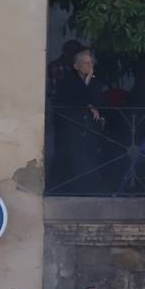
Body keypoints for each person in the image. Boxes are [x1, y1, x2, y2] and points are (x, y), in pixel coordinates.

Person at [52, 48, 108, 194]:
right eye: (86, 63)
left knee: (90, 158)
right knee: (76, 160)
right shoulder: (69, 81)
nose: (90, 66)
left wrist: (93, 106)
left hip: (90, 129)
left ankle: (91, 190)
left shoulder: (95, 81)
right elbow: (74, 99)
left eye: (91, 63)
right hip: (72, 129)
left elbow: (98, 101)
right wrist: (88, 104)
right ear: (76, 66)